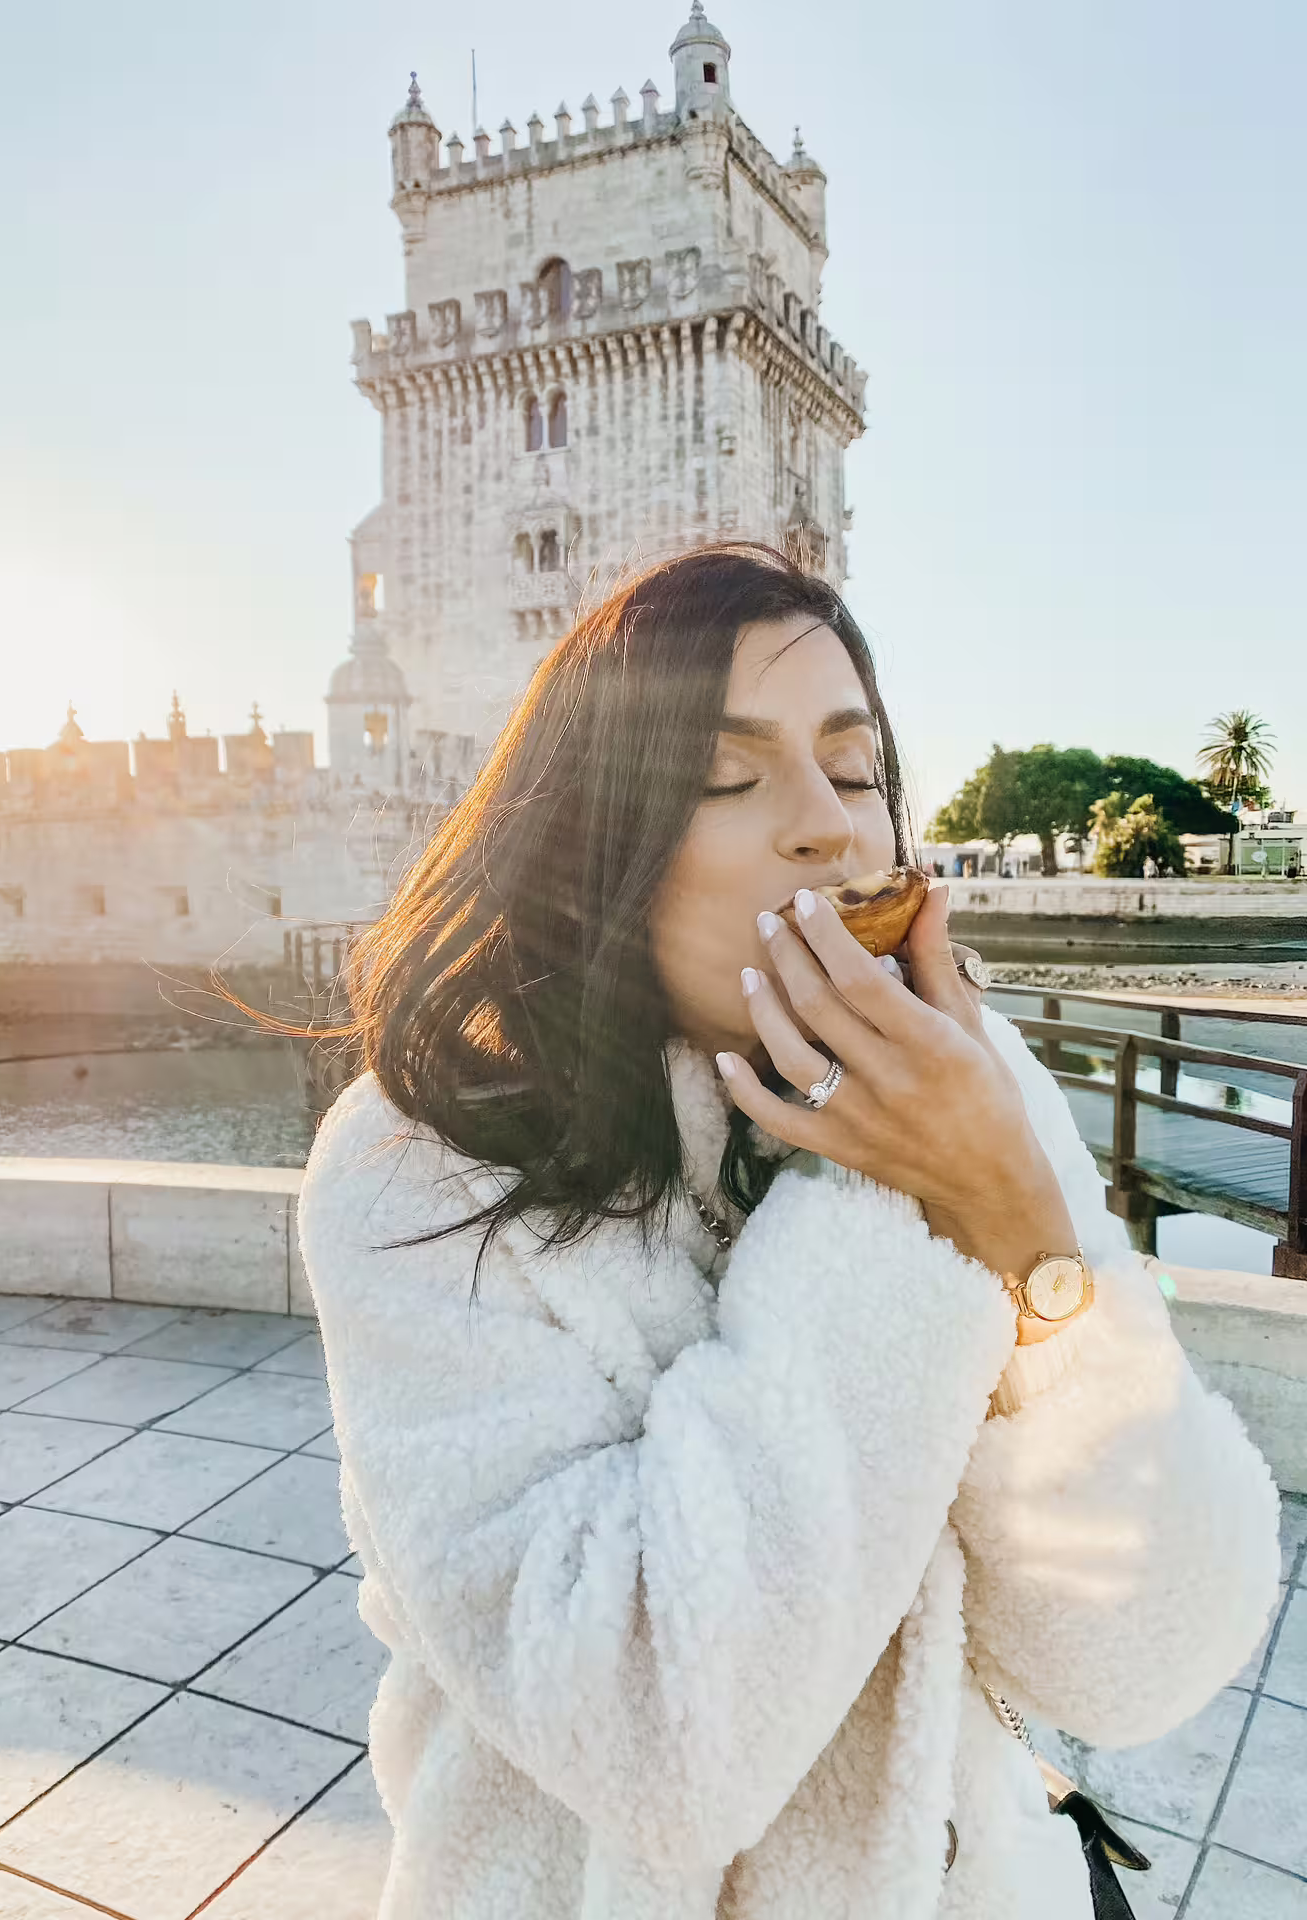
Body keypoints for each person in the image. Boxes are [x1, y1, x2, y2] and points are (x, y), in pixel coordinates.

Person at [298, 545, 1277, 1920]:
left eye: (858, 769)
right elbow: (663, 1739)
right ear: (590, 839)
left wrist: (1024, 1227)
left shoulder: (977, 1098)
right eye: (724, 775)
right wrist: (893, 1187)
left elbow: (1147, 1659)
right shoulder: (418, 1171)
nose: (829, 827)